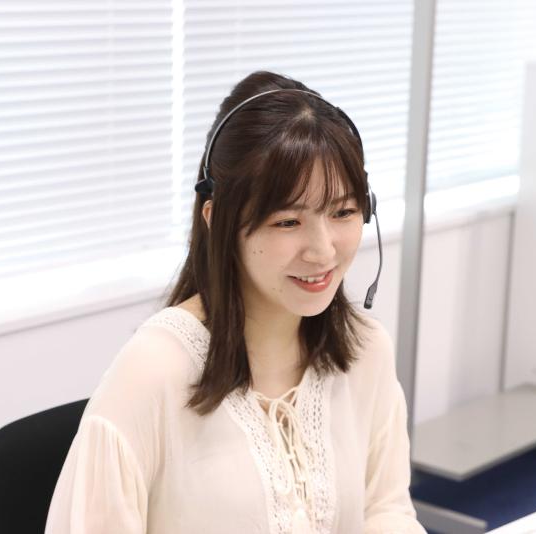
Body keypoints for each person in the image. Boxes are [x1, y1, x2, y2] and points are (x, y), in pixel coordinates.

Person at [45, 71, 427, 534]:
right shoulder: (151, 373)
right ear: (218, 219)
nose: (323, 250)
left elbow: (386, 509)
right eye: (287, 222)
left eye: (343, 212)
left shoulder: (366, 350)